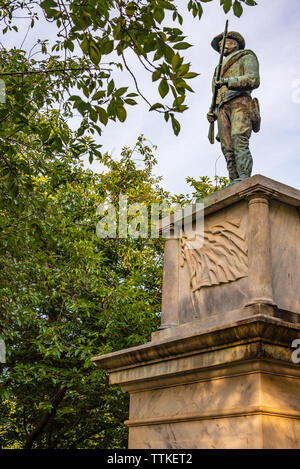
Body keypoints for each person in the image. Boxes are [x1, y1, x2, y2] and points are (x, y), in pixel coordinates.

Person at [207, 31, 260, 184]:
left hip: (240, 102)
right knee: (227, 146)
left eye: (224, 42)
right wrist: (213, 112)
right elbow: (216, 94)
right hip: (222, 108)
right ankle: (234, 180)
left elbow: (253, 79)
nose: (221, 46)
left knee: (238, 137)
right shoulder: (218, 69)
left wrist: (227, 81)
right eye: (219, 45)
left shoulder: (246, 56)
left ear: (235, 43)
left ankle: (244, 178)